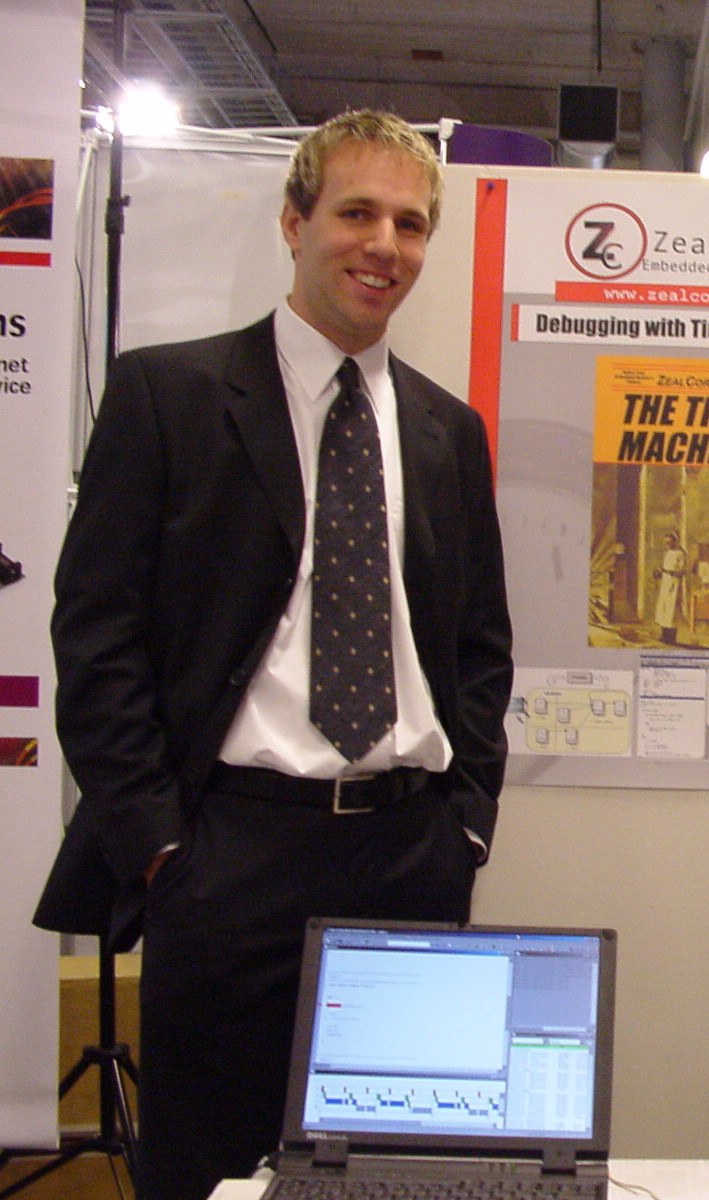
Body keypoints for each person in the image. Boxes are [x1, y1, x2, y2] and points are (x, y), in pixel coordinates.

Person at [32, 110, 514, 1199]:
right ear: (295, 222)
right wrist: (161, 847)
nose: (383, 245)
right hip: (228, 856)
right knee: (210, 1170)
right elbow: (96, 637)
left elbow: (480, 648)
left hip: (408, 856)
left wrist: (466, 825)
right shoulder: (169, 397)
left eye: (410, 224)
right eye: (357, 213)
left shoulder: (449, 432)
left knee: (392, 1174)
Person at [654, 532, 686, 643]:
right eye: (666, 543)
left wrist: (668, 572)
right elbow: (664, 568)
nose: (667, 545)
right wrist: (659, 572)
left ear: (675, 542)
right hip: (665, 584)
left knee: (672, 611)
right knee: (664, 609)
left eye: (669, 543)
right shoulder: (667, 553)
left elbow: (681, 571)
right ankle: (664, 635)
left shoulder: (680, 554)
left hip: (674, 585)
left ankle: (671, 638)